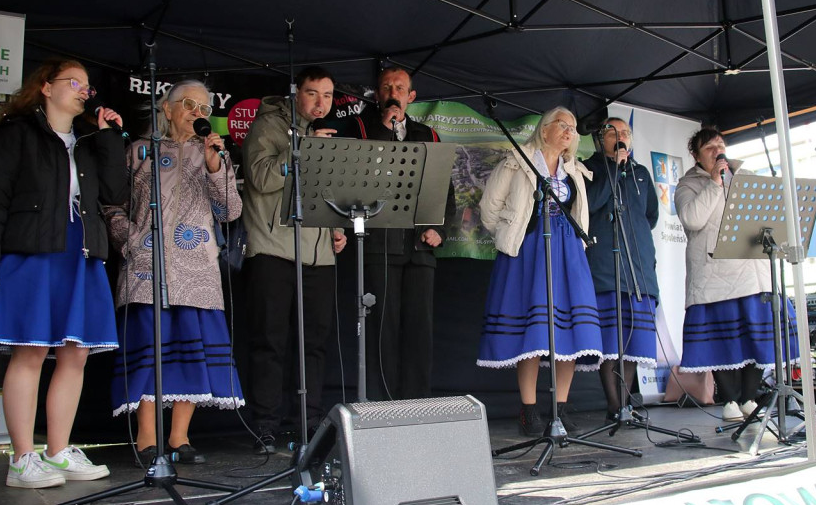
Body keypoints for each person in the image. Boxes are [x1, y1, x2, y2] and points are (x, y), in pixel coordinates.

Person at [0, 59, 127, 488]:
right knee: (29, 350)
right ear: (45, 87)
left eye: (87, 85)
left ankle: (58, 451)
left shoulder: (87, 140)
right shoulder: (17, 133)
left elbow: (116, 194)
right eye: (73, 82)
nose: (83, 90)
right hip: (32, 249)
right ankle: (23, 458)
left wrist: (109, 137)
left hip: (79, 252)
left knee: (75, 352)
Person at [105, 80, 245, 465]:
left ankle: (180, 437)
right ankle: (147, 438)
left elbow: (230, 211)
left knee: (190, 354)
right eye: (188, 105)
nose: (197, 113)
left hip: (197, 268)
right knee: (150, 354)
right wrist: (129, 241)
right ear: (167, 109)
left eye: (204, 108)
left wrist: (216, 162)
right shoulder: (138, 152)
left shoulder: (214, 155)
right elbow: (111, 205)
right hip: (146, 267)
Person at [478, 107, 603, 435]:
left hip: (568, 252)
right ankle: (529, 410)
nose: (569, 132)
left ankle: (560, 409)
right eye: (563, 125)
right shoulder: (516, 161)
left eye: (574, 128)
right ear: (544, 129)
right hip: (530, 249)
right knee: (532, 332)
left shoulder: (574, 170)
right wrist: (513, 235)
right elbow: (489, 210)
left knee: (570, 332)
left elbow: (581, 214)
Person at [242, 66, 347, 453]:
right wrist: (301, 152)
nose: (321, 103)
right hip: (272, 247)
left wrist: (337, 228)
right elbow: (259, 177)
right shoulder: (269, 125)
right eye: (313, 93)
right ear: (295, 93)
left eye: (328, 95)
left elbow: (330, 192)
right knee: (270, 341)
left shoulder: (327, 133)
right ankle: (265, 425)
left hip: (318, 254)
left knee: (314, 342)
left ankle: (308, 421)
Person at [673, 128, 798, 423]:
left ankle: (749, 398)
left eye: (721, 144)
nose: (717, 150)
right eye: (709, 147)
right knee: (722, 341)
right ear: (696, 155)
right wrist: (715, 183)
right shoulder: (687, 185)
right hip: (714, 274)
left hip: (754, 271)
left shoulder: (747, 176)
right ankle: (729, 399)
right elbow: (692, 219)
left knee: (756, 338)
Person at [348, 67, 454, 401]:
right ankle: (384, 404)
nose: (393, 92)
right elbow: (360, 177)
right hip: (381, 247)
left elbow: (445, 190)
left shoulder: (428, 135)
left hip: (420, 250)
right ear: (377, 94)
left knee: (419, 333)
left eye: (400, 88)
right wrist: (385, 128)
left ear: (411, 97)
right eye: (386, 87)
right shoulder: (363, 130)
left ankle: (417, 404)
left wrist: (441, 229)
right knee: (383, 331)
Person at [584, 118, 659, 421]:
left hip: (638, 269)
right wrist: (613, 167)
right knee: (611, 342)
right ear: (600, 139)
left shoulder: (640, 172)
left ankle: (626, 405)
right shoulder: (588, 168)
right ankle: (614, 406)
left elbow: (650, 215)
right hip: (605, 266)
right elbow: (589, 204)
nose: (620, 137)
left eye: (625, 132)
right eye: (613, 133)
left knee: (632, 343)